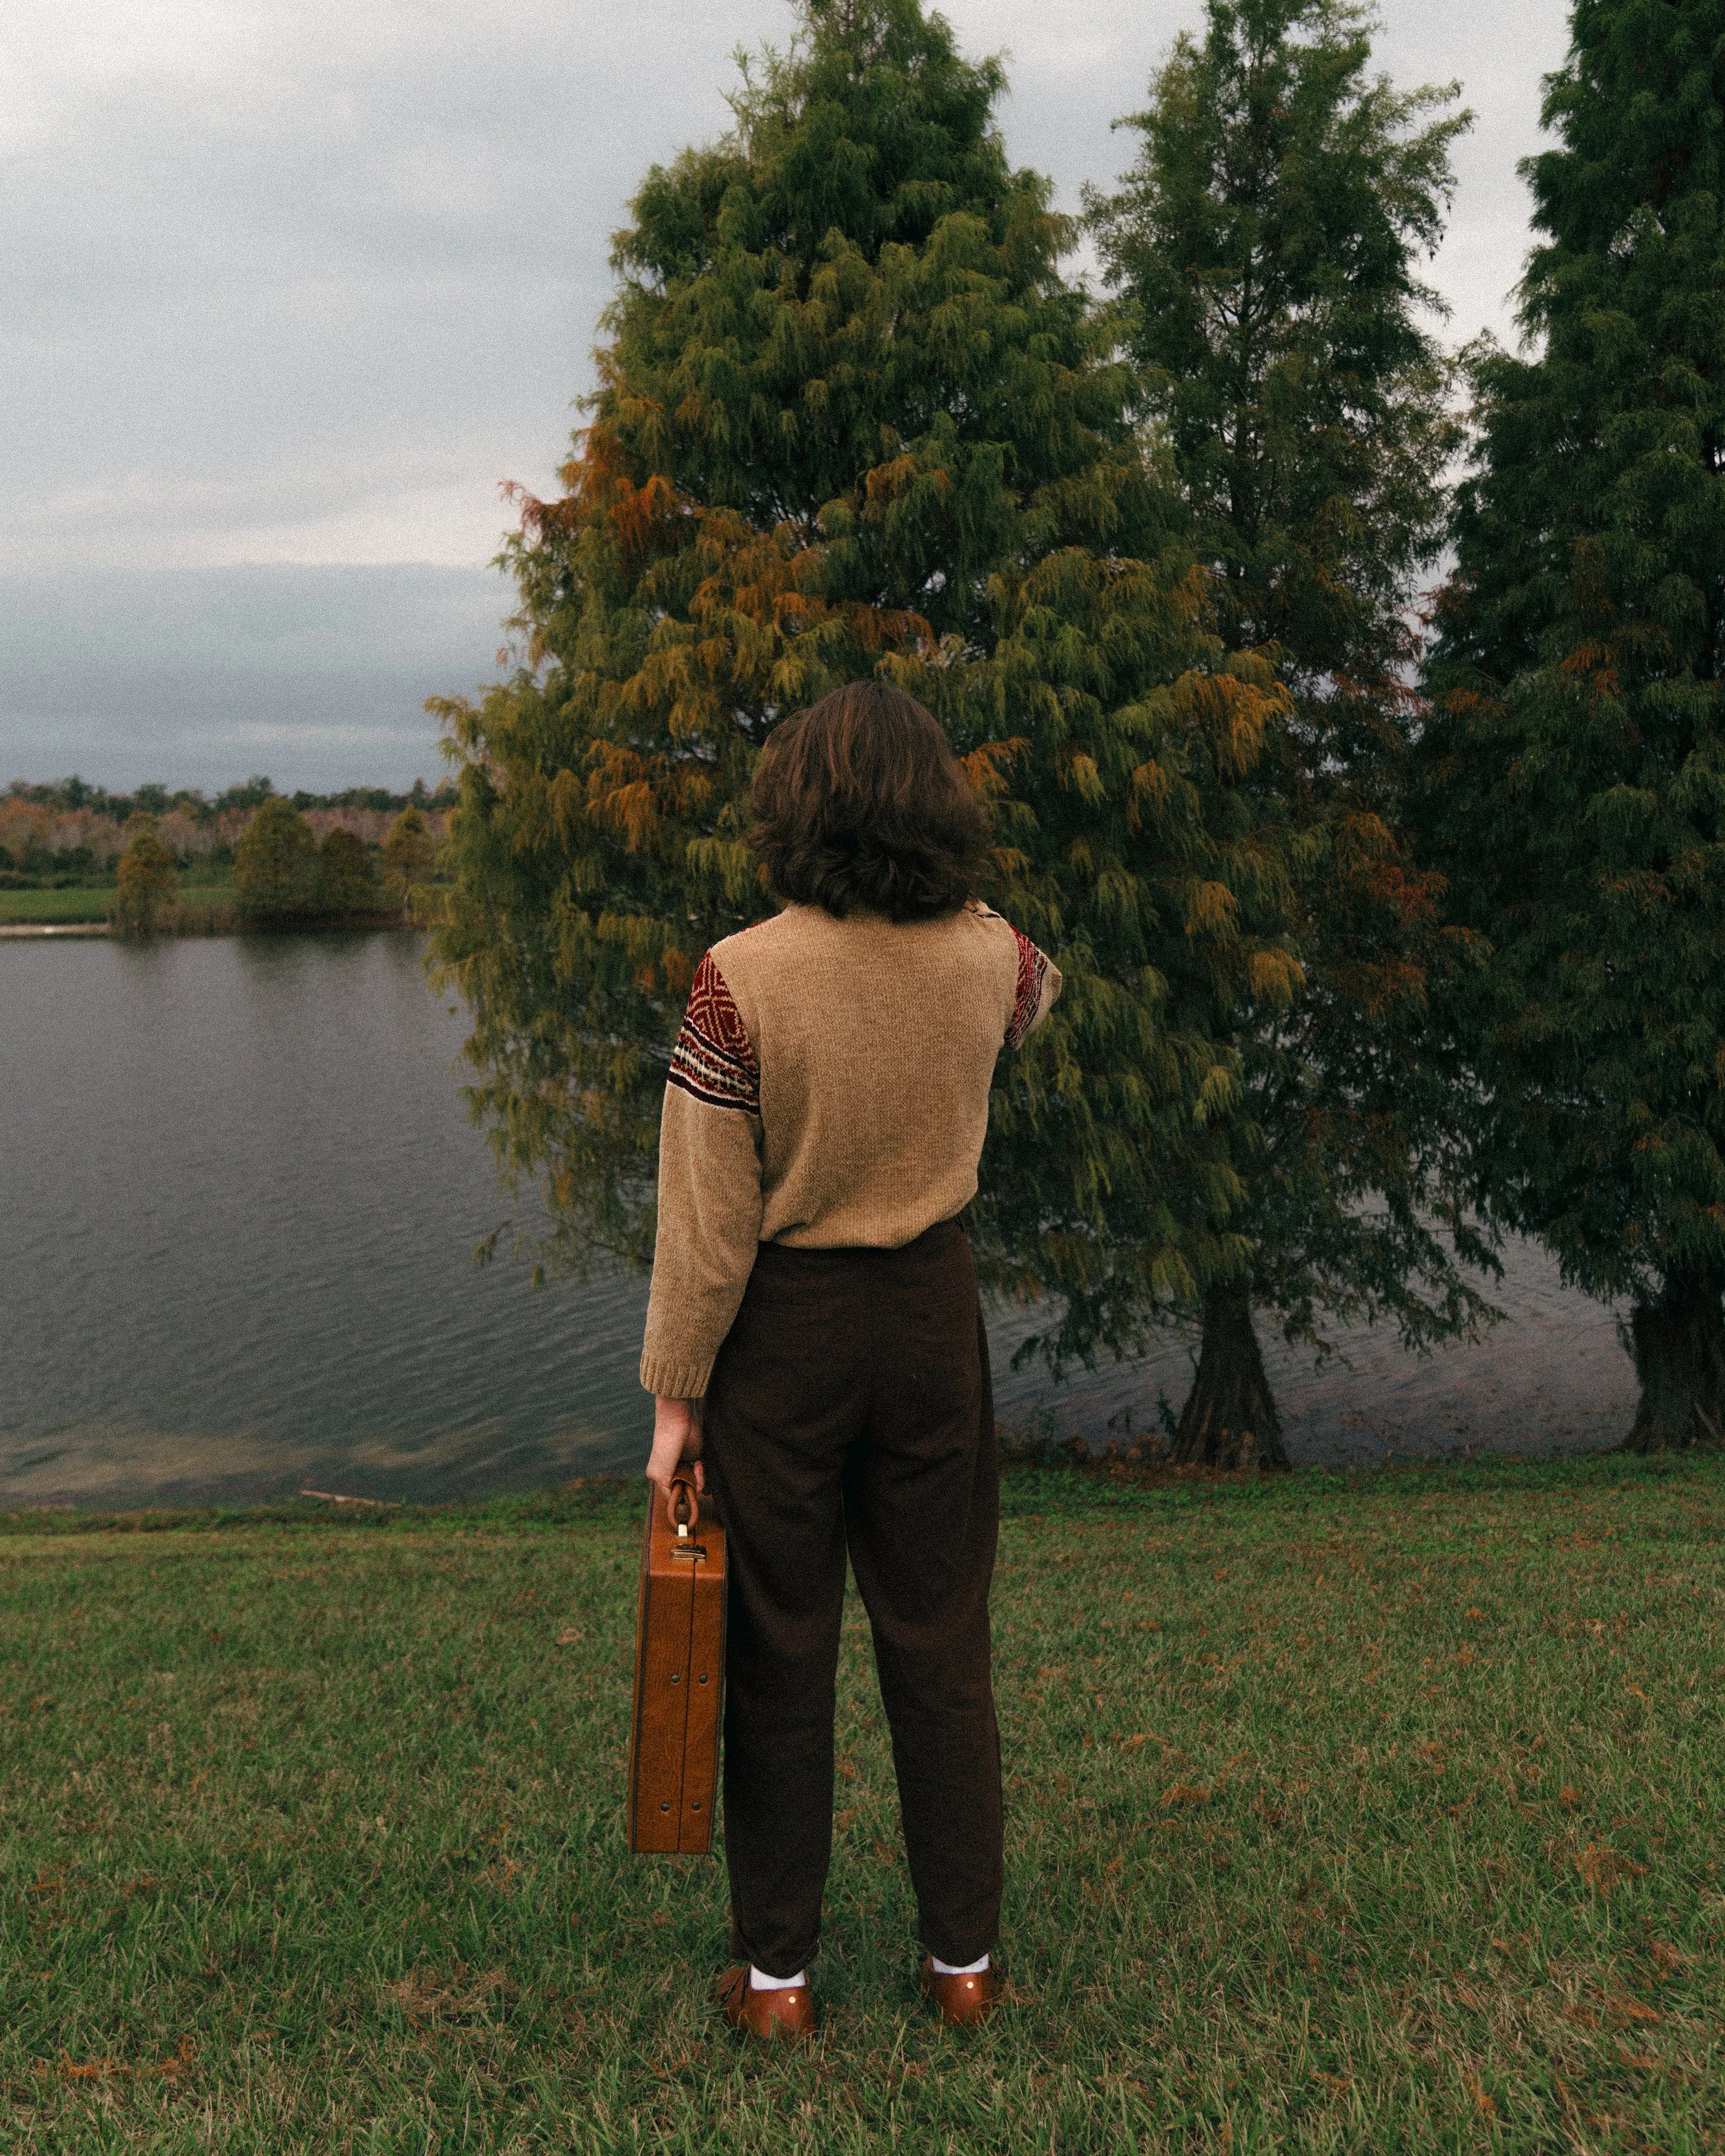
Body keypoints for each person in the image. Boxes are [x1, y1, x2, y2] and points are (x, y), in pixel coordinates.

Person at [639, 680, 1061, 2041]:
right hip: (932, 1316)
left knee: (780, 1650)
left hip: (787, 1335)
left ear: (793, 806)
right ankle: (963, 1966)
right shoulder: (993, 957)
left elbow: (706, 1229)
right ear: (936, 801)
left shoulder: (738, 977)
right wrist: (954, 926)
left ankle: (777, 1984)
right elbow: (1037, 995)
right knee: (941, 1641)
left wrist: (675, 1401)